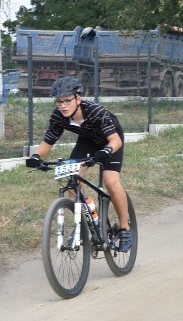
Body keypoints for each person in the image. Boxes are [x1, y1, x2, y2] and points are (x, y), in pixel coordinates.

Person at [25, 76, 133, 252]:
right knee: (72, 183)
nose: (63, 106)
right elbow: (47, 143)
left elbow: (115, 141)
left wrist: (105, 152)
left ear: (78, 98)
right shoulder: (58, 117)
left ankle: (125, 229)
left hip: (111, 141)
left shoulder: (95, 111)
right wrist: (36, 157)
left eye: (67, 101)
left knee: (111, 182)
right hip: (88, 141)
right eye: (58, 102)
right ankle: (85, 220)